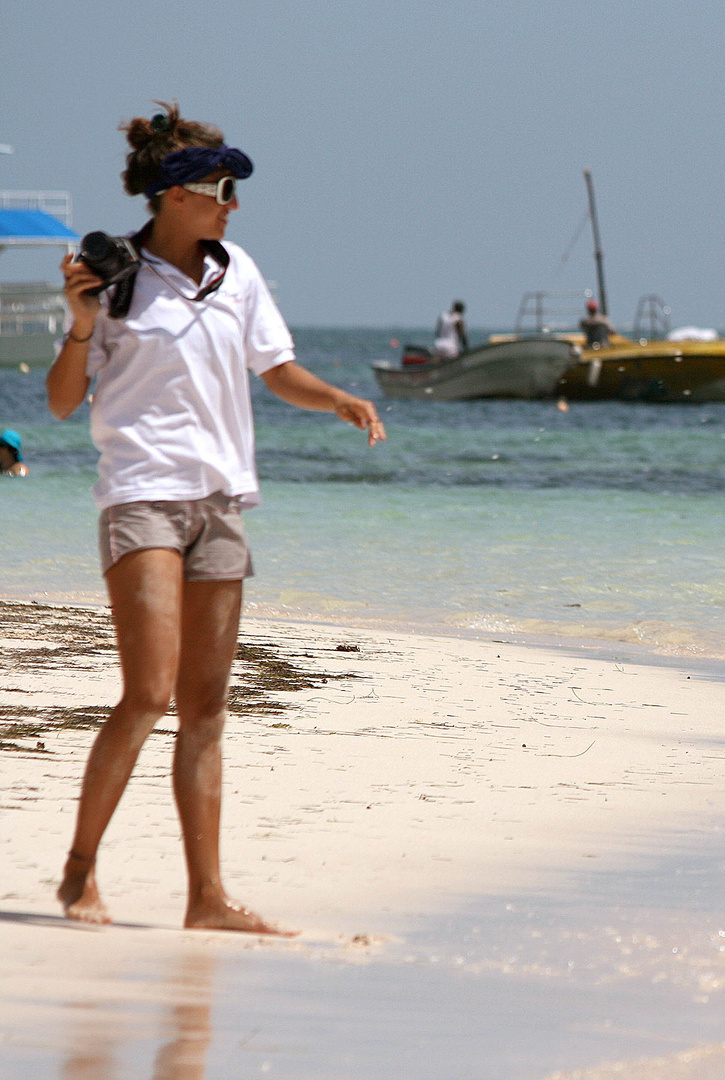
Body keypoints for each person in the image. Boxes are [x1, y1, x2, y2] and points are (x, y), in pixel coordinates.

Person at [49, 103, 386, 935]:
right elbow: (61, 403)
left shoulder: (239, 271)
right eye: (216, 188)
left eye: (231, 189)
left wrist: (336, 397)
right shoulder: (117, 281)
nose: (230, 203)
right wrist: (82, 320)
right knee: (149, 694)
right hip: (141, 496)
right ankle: (80, 871)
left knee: (205, 709)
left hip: (223, 502)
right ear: (171, 196)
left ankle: (207, 898)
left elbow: (277, 370)